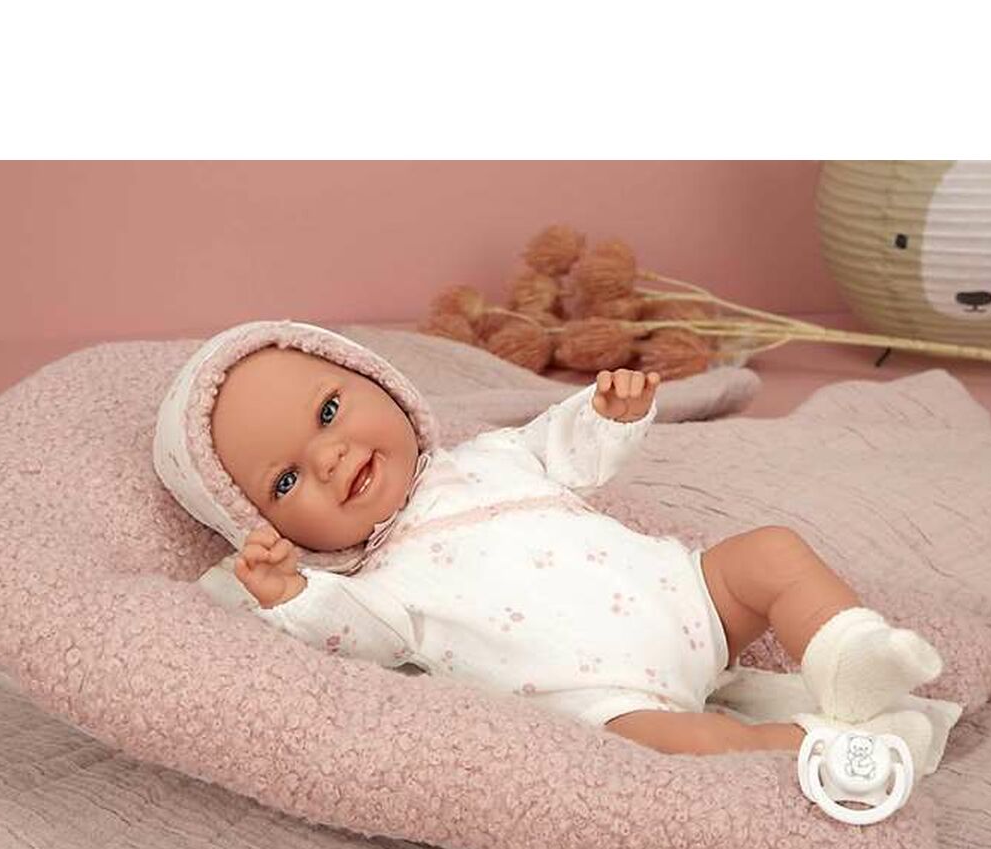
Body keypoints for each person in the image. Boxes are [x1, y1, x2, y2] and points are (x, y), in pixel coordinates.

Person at [154, 320, 942, 759]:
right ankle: (810, 747)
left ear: (379, 382)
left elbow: (567, 448)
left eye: (329, 412)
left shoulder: (490, 456)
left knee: (770, 553)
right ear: (269, 527)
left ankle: (849, 657)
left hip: (690, 600)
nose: (328, 457)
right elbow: (347, 633)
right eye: (286, 481)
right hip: (607, 698)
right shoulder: (379, 585)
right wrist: (291, 595)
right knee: (679, 748)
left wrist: (607, 414)